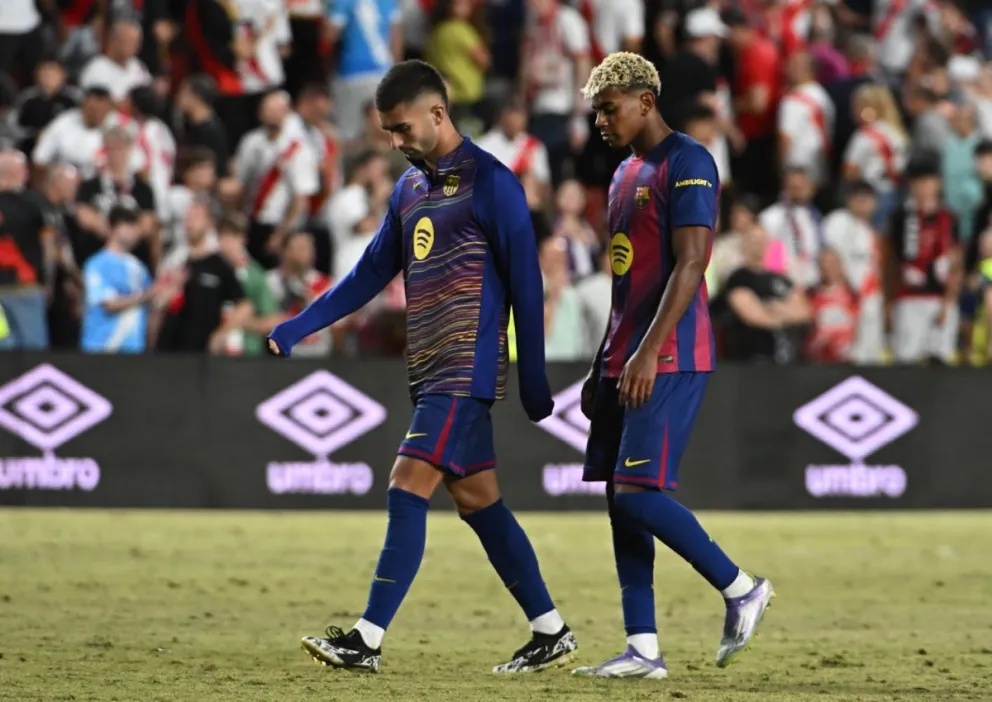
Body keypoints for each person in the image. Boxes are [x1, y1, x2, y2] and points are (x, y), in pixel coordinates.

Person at [267, 59, 576, 674]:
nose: (395, 142)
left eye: (403, 129)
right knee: (480, 503)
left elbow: (527, 284)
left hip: (467, 370)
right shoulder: (410, 189)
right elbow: (370, 273)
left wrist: (535, 376)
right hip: (429, 371)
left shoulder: (493, 183)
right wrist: (301, 324)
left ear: (438, 114)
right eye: (388, 131)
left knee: (406, 486)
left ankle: (366, 639)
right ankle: (551, 630)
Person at [571, 52, 774, 680]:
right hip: (626, 356)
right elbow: (627, 279)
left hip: (671, 355)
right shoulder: (623, 171)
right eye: (597, 111)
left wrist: (647, 351)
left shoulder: (688, 162)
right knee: (619, 498)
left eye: (610, 108)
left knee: (637, 493)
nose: (601, 120)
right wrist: (605, 360)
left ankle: (740, 586)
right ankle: (643, 649)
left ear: (645, 102)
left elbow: (692, 264)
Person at [80, 206, 155, 353]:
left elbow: (153, 304)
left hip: (133, 348)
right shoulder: (96, 264)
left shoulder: (139, 267)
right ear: (114, 227)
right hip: (101, 346)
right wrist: (145, 296)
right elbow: (108, 304)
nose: (135, 232)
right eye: (129, 225)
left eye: (136, 227)